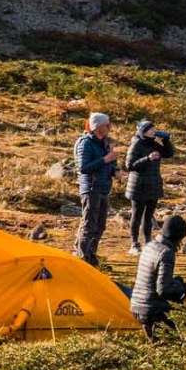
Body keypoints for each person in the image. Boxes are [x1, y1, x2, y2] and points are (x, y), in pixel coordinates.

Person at [129, 213, 186, 339]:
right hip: (153, 310)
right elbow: (163, 289)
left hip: (137, 305)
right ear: (177, 237)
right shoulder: (166, 253)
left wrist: (177, 282)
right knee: (176, 342)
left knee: (157, 346)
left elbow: (153, 280)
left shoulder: (149, 246)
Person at [73, 111, 116, 266]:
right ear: (98, 127)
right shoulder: (85, 143)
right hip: (91, 188)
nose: (109, 127)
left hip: (103, 188)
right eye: (107, 124)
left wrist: (115, 171)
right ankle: (82, 258)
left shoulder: (104, 143)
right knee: (89, 225)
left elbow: (108, 165)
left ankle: (91, 256)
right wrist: (105, 159)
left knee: (100, 225)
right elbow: (83, 168)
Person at [125, 118, 172, 253]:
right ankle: (134, 243)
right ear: (143, 132)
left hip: (153, 184)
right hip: (138, 185)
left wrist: (166, 139)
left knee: (149, 215)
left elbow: (169, 153)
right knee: (137, 214)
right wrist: (148, 158)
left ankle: (147, 242)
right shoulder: (136, 144)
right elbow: (129, 165)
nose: (154, 131)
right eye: (151, 129)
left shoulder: (153, 143)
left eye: (154, 129)